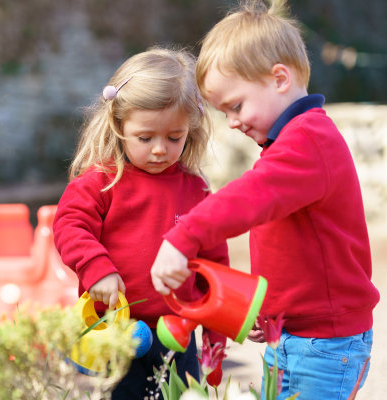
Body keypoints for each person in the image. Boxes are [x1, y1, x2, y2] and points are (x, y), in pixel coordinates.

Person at [150, 1, 380, 399]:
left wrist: (183, 237)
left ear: (279, 79)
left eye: (236, 106)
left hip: (325, 344)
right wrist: (272, 309)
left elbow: (249, 198)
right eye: (225, 112)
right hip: (293, 335)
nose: (233, 122)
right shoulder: (289, 144)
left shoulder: (309, 141)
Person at [52, 47, 229, 399]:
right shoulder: (103, 180)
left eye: (174, 137)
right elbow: (70, 224)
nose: (160, 149)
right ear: (120, 125)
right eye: (145, 138)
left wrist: (215, 342)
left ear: (190, 129)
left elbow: (215, 269)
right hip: (118, 333)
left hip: (179, 336)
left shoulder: (197, 190)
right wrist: (96, 267)